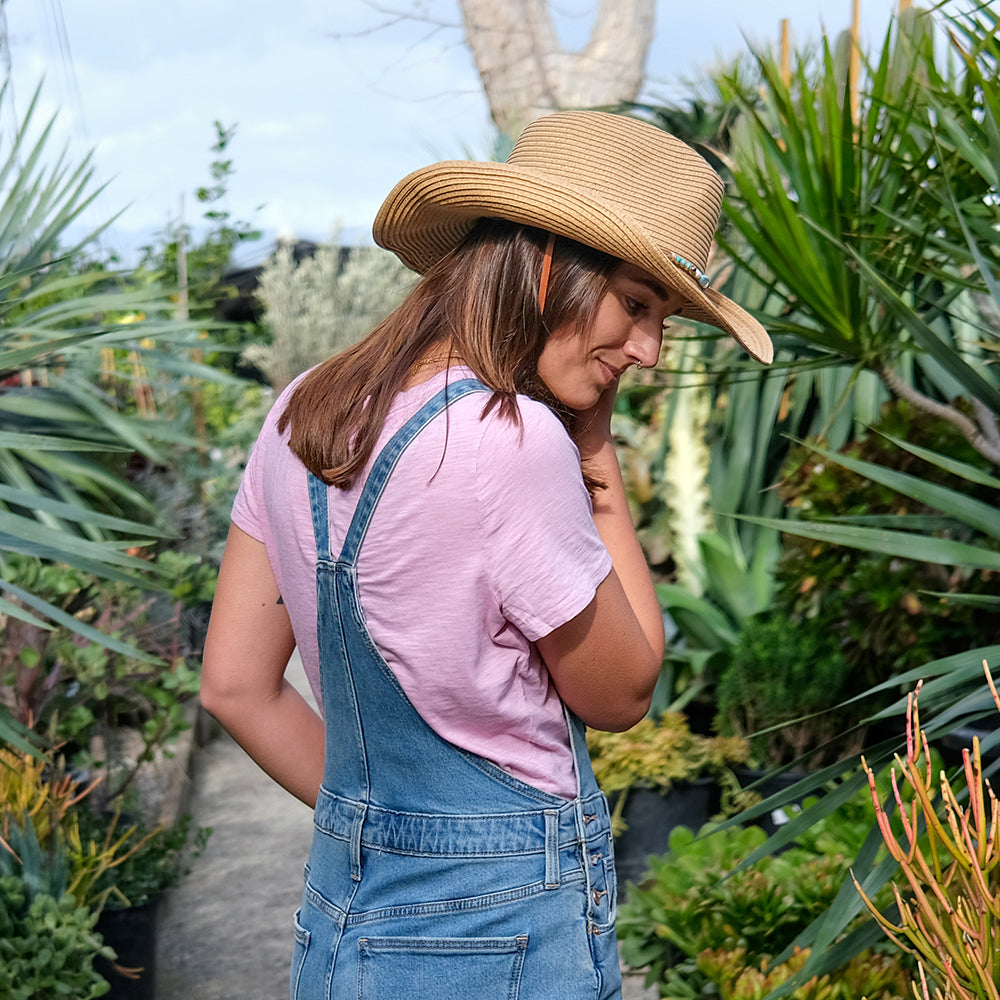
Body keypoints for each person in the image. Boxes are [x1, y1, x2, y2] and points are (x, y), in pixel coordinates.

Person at [200, 110, 772, 1000]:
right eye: (637, 303)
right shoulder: (516, 441)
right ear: (549, 263)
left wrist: (392, 831)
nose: (651, 351)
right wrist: (599, 460)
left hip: (342, 931)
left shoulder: (299, 411)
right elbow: (623, 689)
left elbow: (234, 685)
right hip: (502, 935)